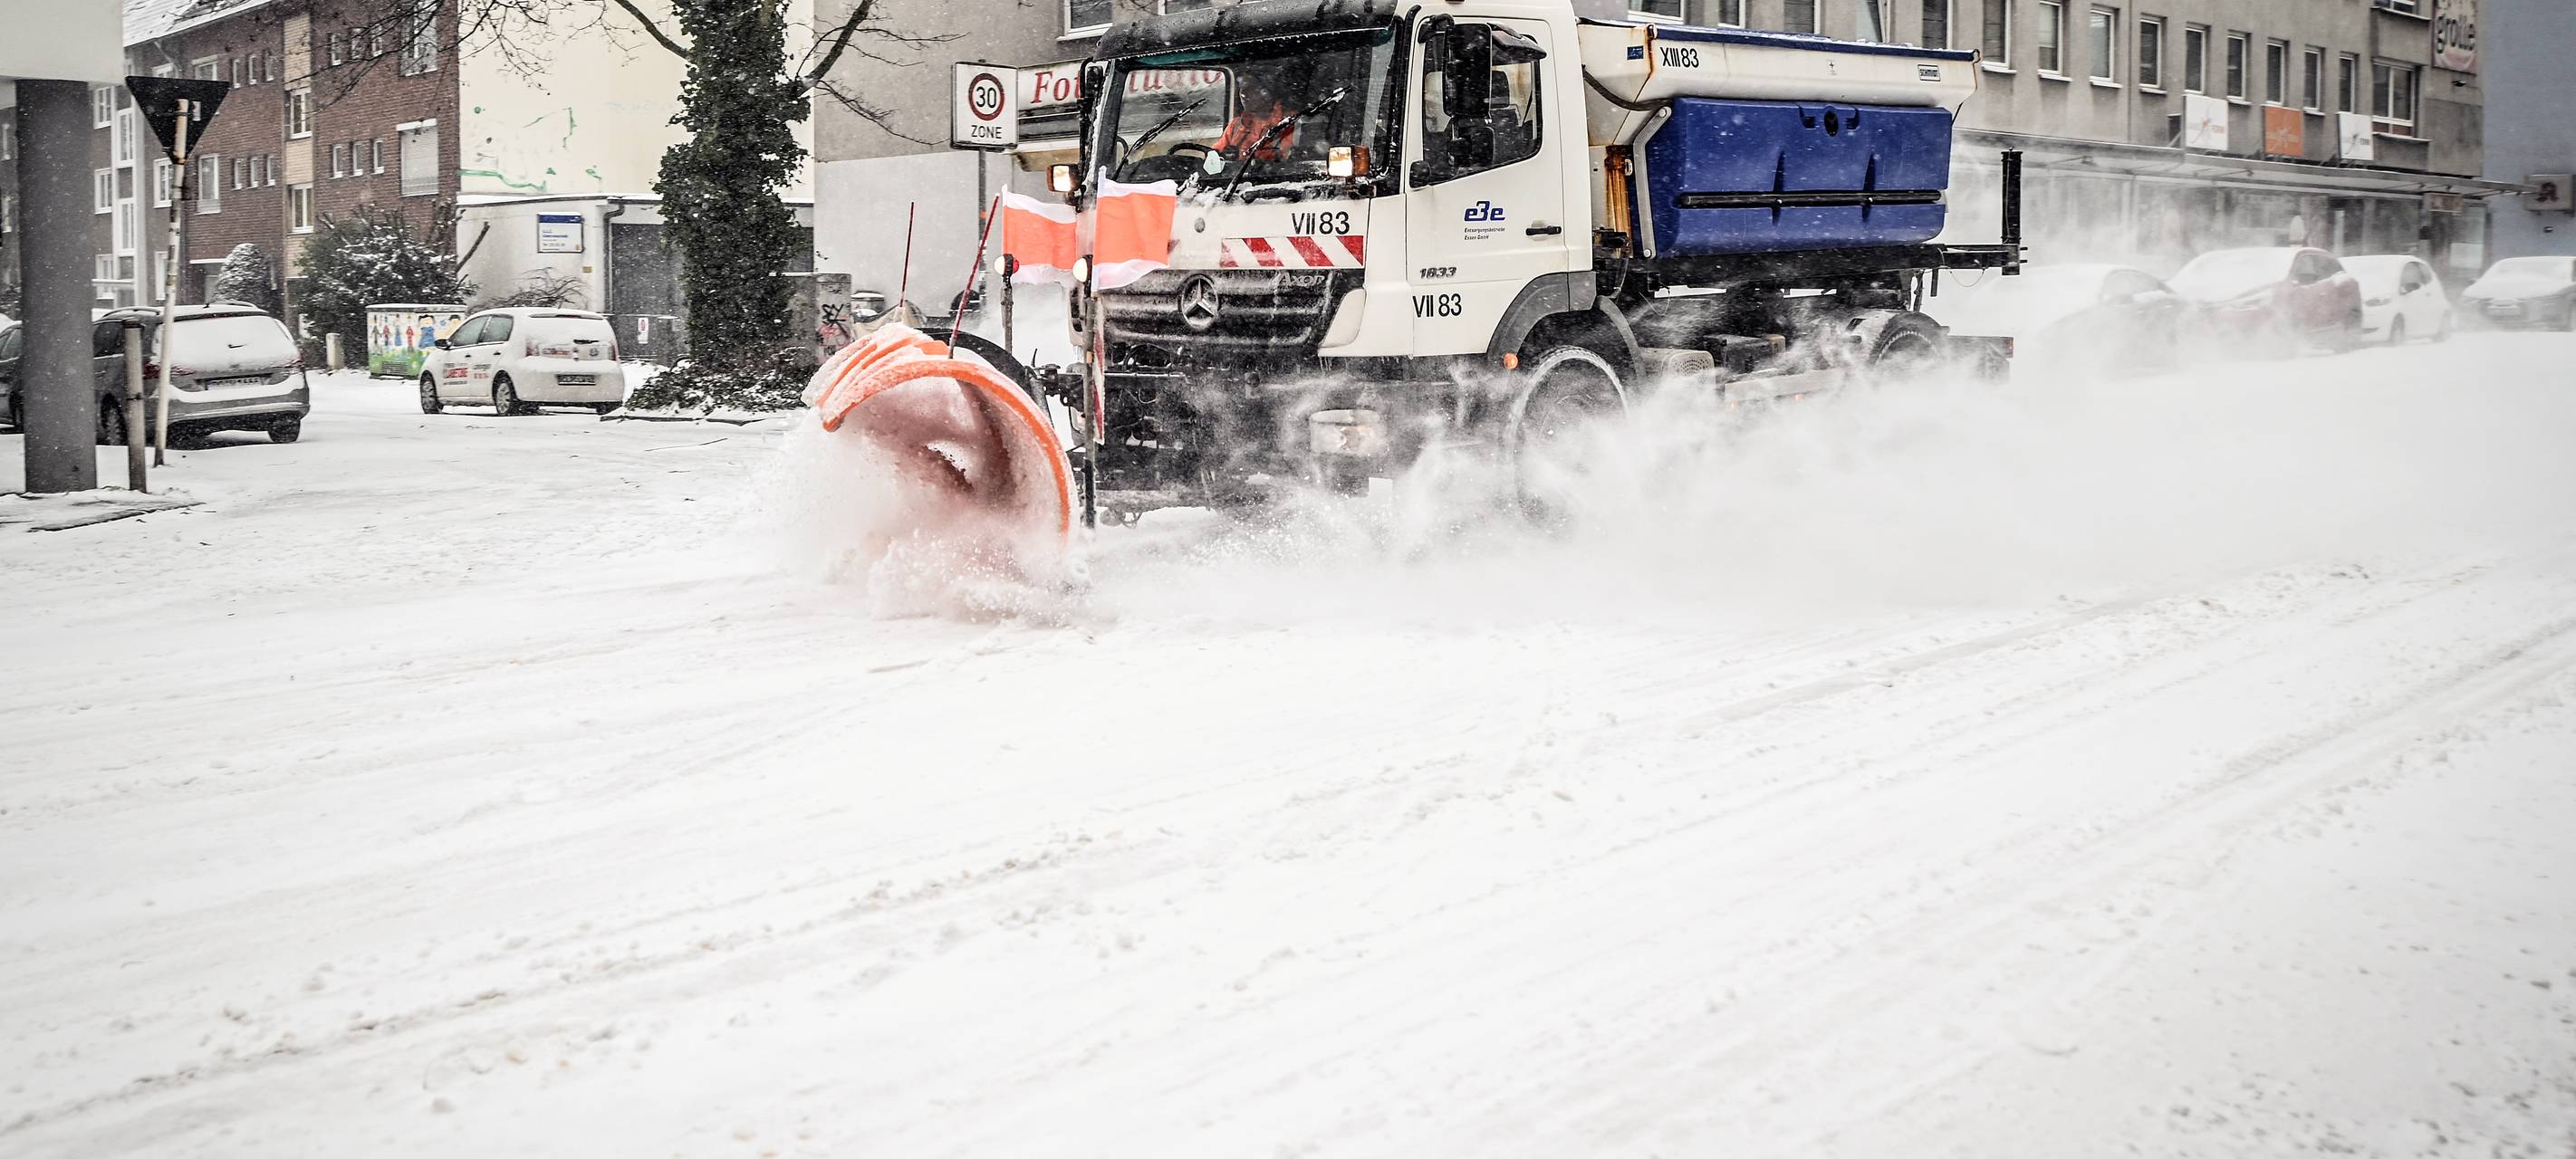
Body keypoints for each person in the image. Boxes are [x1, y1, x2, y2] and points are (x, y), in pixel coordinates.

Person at [1216, 72, 1296, 162]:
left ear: (1267, 92)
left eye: (1250, 89)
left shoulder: (1291, 121)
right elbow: (1215, 155)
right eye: (1241, 88)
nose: (1243, 94)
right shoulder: (1236, 125)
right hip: (1237, 176)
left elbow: (1289, 163)